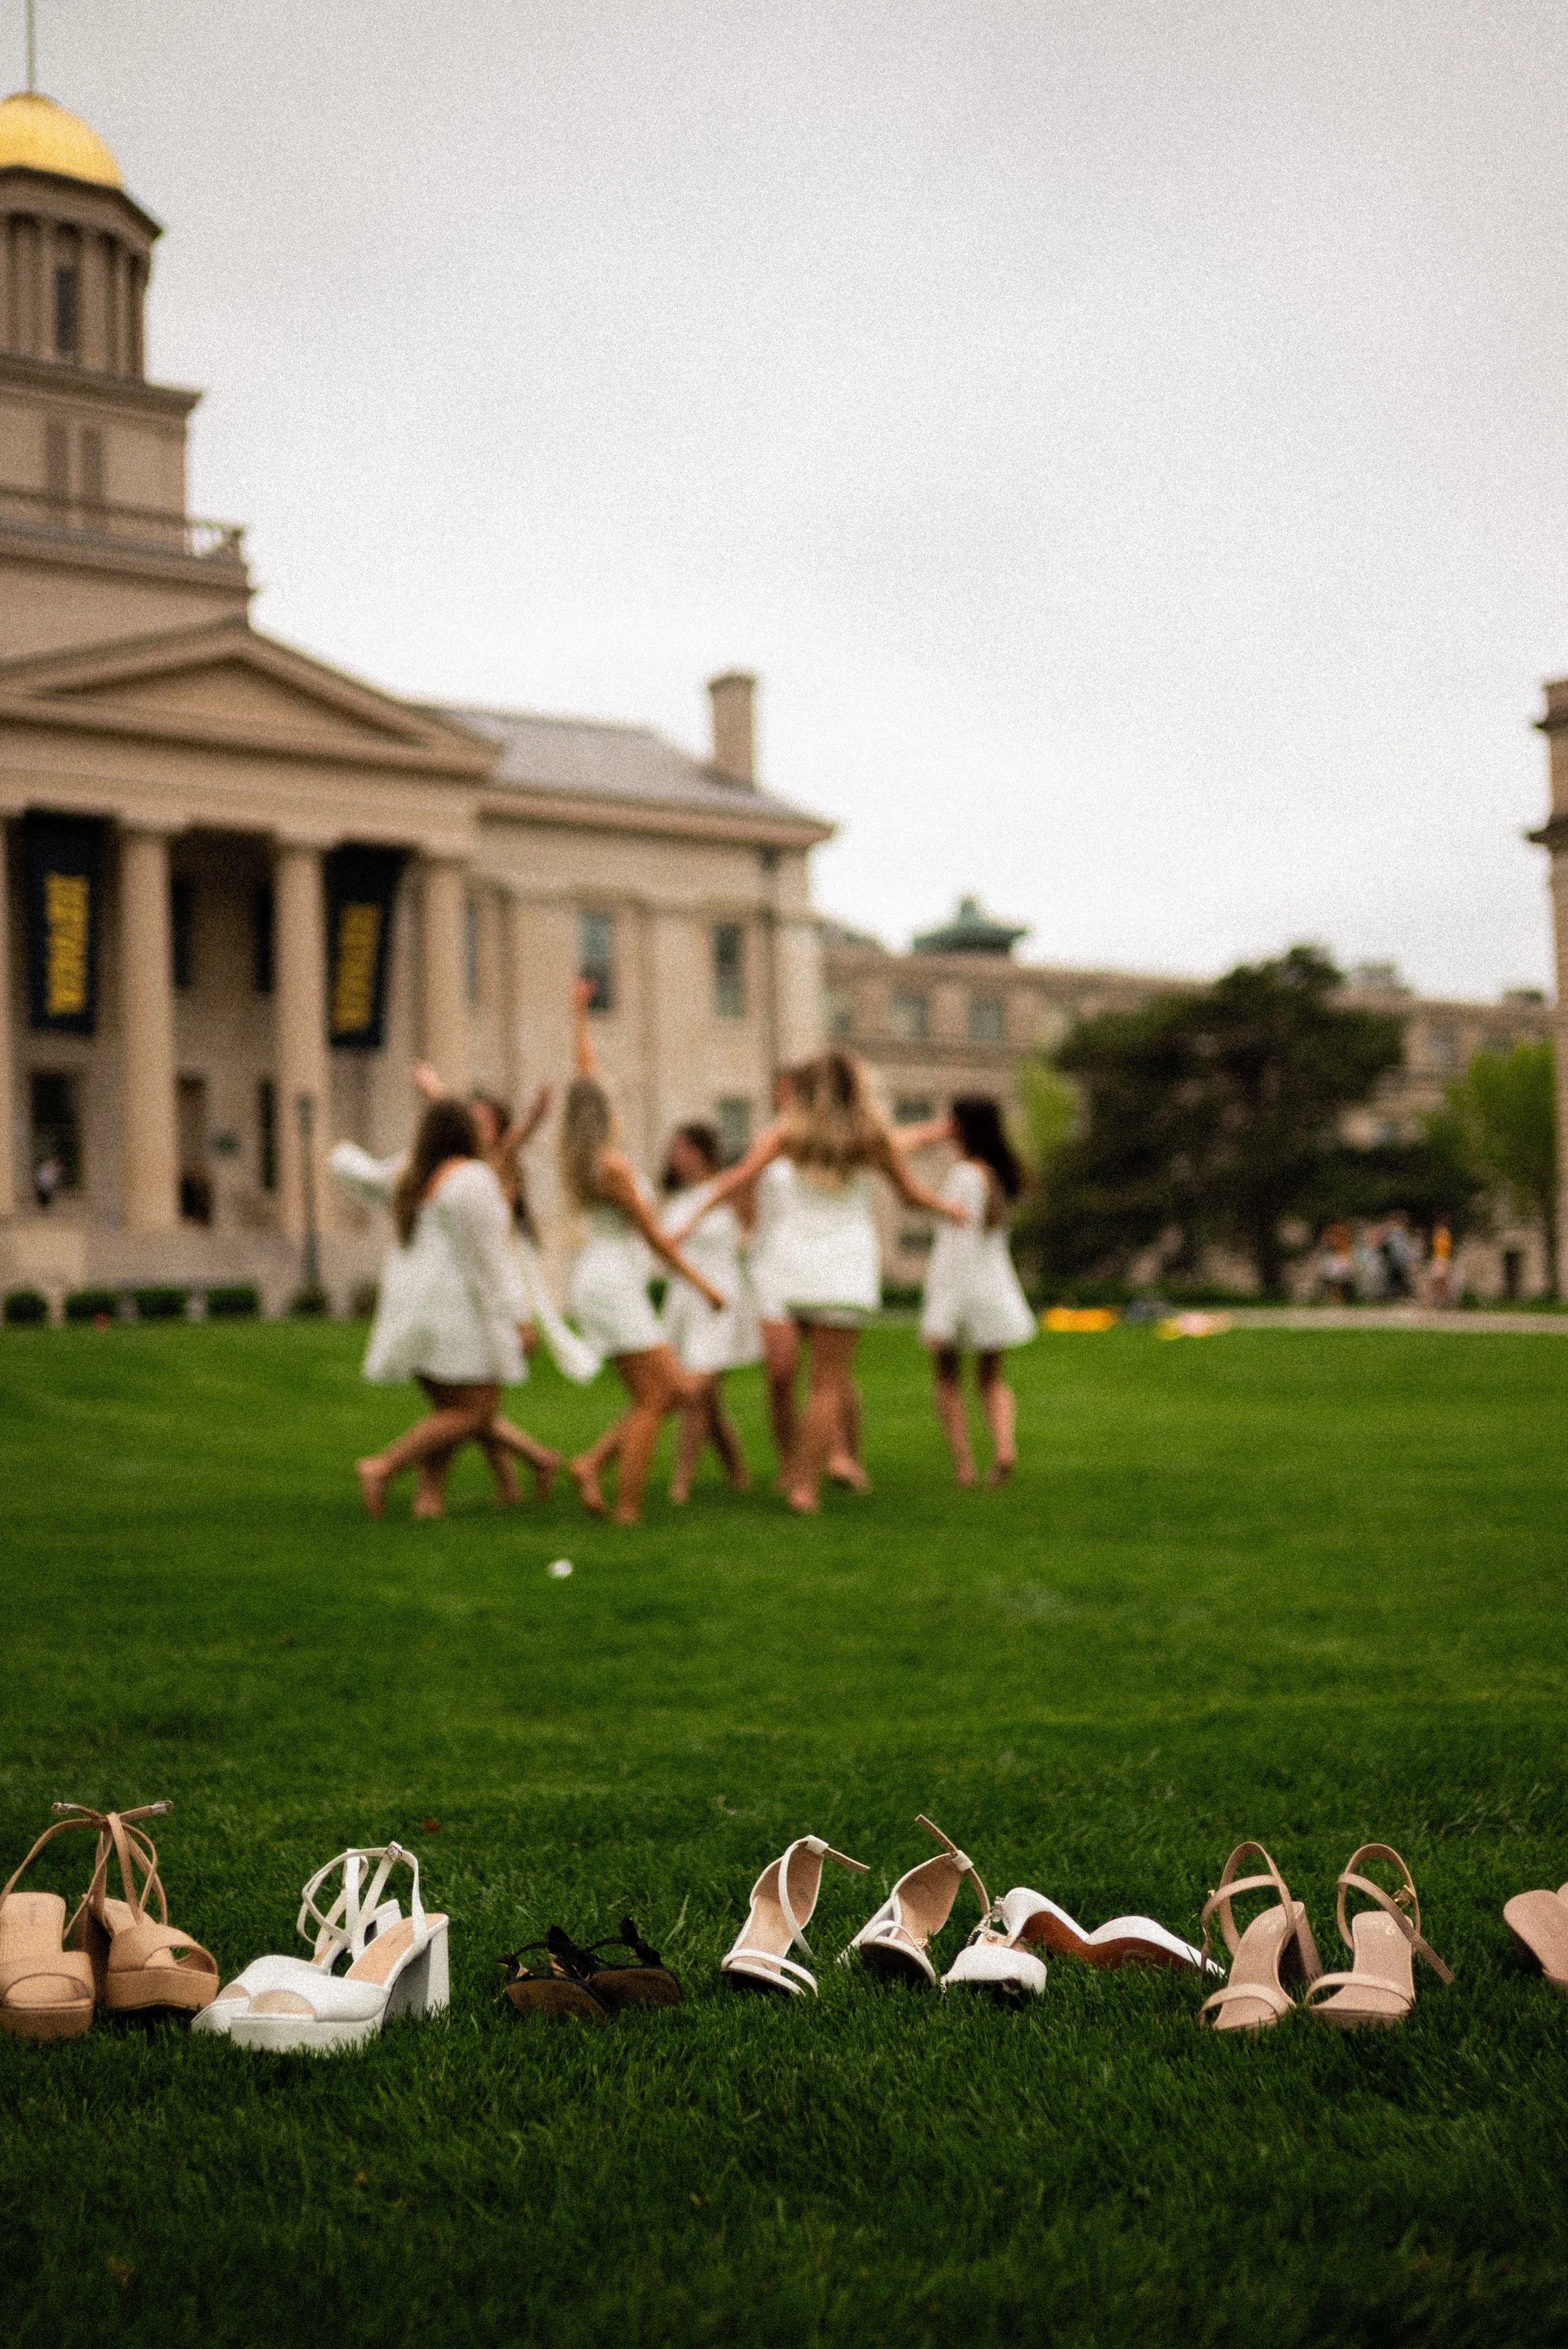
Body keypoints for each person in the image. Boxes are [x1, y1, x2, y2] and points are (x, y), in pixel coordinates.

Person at [681, 1048, 968, 1514]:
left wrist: (686, 1221)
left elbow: (736, 1177)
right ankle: (805, 1486)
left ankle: (803, 1473)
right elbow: (912, 1196)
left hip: (792, 1267)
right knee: (827, 1384)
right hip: (841, 1267)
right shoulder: (868, 1139)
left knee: (816, 1382)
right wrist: (950, 1210)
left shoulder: (792, 1136)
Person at [559, 980, 726, 1525]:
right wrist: (706, 1287)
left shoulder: (586, 1157)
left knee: (673, 1390)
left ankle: (591, 1464)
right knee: (659, 1398)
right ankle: (626, 1508)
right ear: (606, 1113)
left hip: (604, 1279)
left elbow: (586, 1077)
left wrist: (580, 1018)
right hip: (612, 1283)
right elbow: (656, 1238)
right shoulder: (615, 1168)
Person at [330, 1097, 539, 1520]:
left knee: (455, 1411)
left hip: (412, 1307)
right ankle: (383, 1467)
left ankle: (432, 1498)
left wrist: (338, 1152)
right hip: (454, 1309)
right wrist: (519, 1316)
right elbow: (493, 1255)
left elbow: (358, 1172)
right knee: (474, 1412)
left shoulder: (411, 1175)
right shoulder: (472, 1178)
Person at [919, 1096, 1036, 1487]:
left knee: (948, 1379)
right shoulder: (1002, 1173)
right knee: (992, 1379)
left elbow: (958, 1244)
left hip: (962, 1288)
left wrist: (944, 1310)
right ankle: (1004, 1447)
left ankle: (965, 1466)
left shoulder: (966, 1176)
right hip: (996, 1286)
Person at [659, 1122, 760, 1502]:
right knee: (708, 1401)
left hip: (721, 1300)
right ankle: (738, 1474)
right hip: (685, 1302)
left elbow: (752, 1229)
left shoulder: (728, 1191)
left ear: (702, 1152)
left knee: (696, 1391)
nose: (677, 1158)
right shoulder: (678, 1201)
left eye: (683, 1149)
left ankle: (680, 1483)